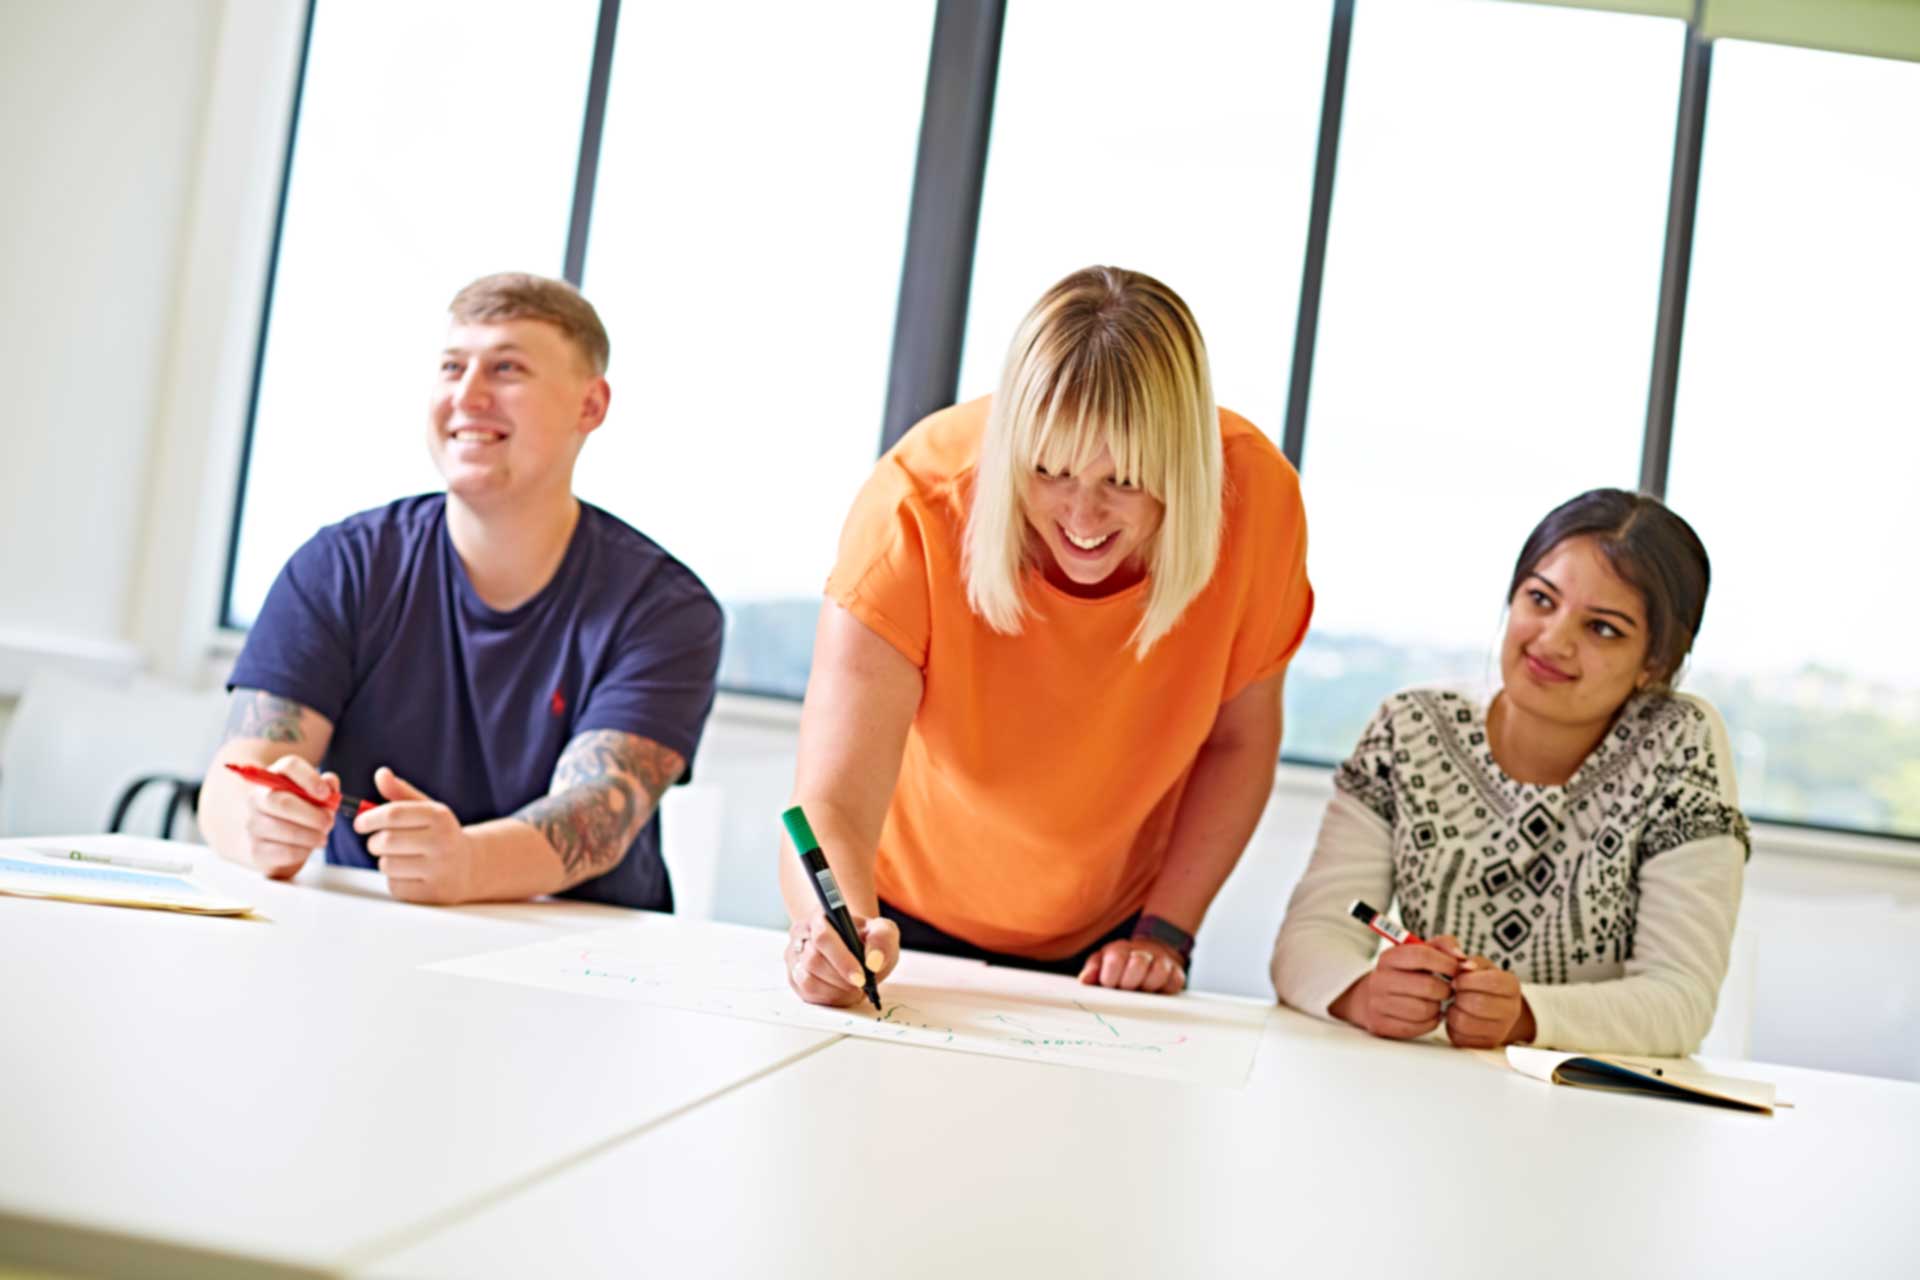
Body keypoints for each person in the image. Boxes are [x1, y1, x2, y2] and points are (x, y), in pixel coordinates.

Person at [780, 265, 1313, 1007]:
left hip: (1110, 943)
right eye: (1051, 472)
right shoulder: (915, 505)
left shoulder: (1258, 502)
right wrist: (828, 933)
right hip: (893, 918)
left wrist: (1165, 933)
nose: (1084, 520)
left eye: (1124, 481)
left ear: (1186, 469)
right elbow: (827, 805)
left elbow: (1239, 740)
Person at [199, 272, 722, 908]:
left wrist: (469, 864)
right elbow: (231, 787)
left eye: (507, 369)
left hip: (580, 954)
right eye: (451, 368)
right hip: (366, 924)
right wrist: (261, 823)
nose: (467, 396)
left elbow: (598, 815)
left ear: (590, 406)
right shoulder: (340, 566)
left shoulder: (665, 608)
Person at [1272, 489, 1749, 1056]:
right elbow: (1309, 940)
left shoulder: (1680, 743)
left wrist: (1525, 1013)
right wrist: (1362, 993)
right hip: (1417, 1090)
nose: (1553, 639)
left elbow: (1680, 1000)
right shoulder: (1411, 726)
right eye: (1541, 600)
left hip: (1596, 1113)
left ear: (1656, 663)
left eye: (1603, 629)